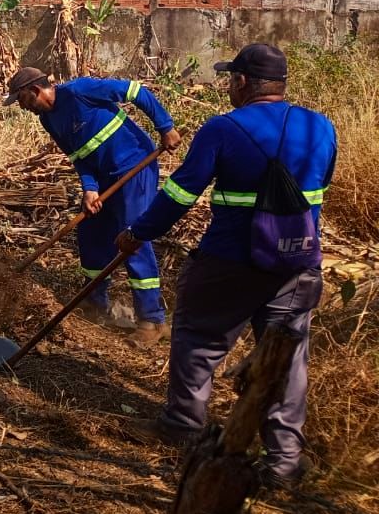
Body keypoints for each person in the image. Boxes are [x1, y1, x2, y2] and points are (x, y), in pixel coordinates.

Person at [117, 43, 336, 489]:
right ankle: (283, 464)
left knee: (199, 340)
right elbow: (320, 184)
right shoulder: (320, 127)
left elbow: (181, 193)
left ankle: (182, 427)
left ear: (241, 82)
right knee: (286, 360)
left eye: (229, 79)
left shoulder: (223, 128)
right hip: (297, 264)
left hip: (230, 262)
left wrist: (139, 232)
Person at [4, 67, 182, 343]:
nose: (23, 108)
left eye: (22, 100)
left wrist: (166, 126)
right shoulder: (49, 121)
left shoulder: (80, 91)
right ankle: (95, 305)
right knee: (91, 234)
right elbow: (79, 157)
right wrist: (90, 189)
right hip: (103, 179)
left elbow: (137, 91)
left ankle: (152, 320)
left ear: (35, 91)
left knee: (132, 237)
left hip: (134, 168)